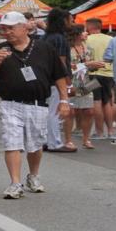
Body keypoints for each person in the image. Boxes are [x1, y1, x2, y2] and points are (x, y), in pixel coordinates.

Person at [0, 12, 72, 199]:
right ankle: (15, 182)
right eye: (3, 29)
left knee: (35, 144)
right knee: (11, 142)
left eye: (11, 28)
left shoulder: (45, 48)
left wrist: (64, 100)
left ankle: (33, 175)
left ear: (24, 27)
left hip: (38, 103)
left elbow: (59, 76)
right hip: (10, 103)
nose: (7, 32)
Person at [42, 8, 75, 152]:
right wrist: (67, 80)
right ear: (63, 20)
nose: (72, 21)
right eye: (70, 19)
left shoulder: (46, 37)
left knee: (47, 111)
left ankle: (46, 140)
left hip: (45, 78)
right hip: (55, 80)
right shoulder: (60, 38)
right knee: (55, 111)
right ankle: (54, 142)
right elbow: (60, 62)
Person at [82, 17, 116, 142]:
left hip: (92, 73)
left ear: (90, 27)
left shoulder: (86, 40)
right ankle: (111, 131)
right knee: (107, 102)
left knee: (96, 101)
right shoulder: (111, 39)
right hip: (108, 74)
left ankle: (99, 131)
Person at [64, 25, 98, 149]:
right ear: (76, 34)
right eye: (83, 32)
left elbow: (90, 65)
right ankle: (68, 139)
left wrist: (95, 65)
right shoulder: (67, 48)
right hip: (70, 81)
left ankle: (86, 139)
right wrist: (87, 64)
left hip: (86, 81)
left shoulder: (88, 48)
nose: (86, 34)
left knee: (89, 111)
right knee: (70, 112)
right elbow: (66, 66)